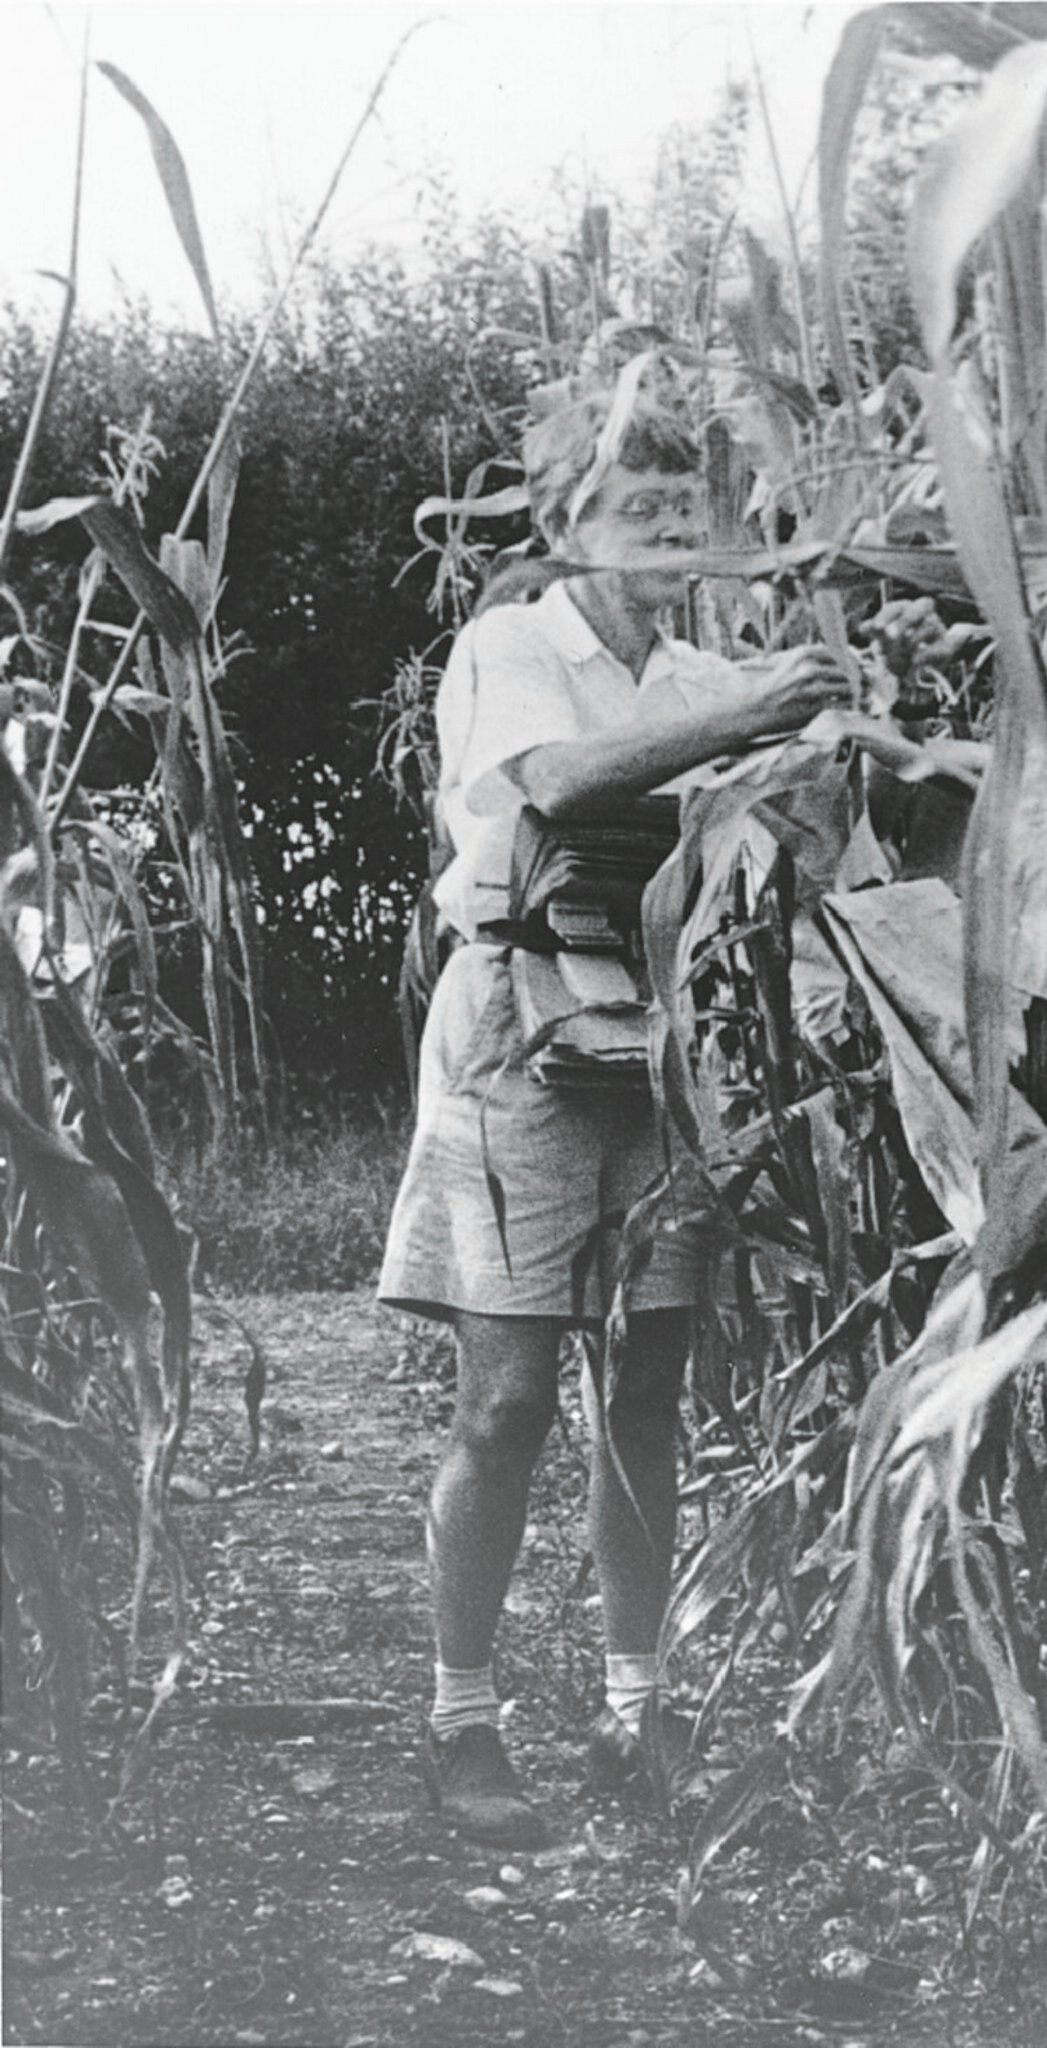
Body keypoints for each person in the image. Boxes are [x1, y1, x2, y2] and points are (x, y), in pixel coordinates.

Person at [378, 391, 852, 1848]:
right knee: (509, 1398)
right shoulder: (514, 648)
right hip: (518, 1032)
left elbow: (794, 854)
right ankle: (461, 1720)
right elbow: (558, 783)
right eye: (633, 505)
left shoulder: (704, 671)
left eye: (685, 507)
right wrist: (758, 713)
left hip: (664, 1039)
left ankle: (634, 1712)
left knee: (647, 1389)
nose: (666, 528)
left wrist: (842, 746)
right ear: (562, 519)